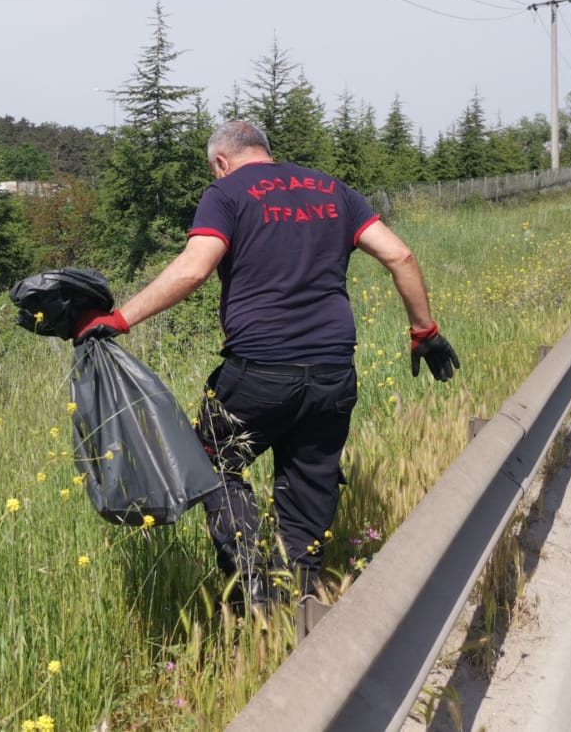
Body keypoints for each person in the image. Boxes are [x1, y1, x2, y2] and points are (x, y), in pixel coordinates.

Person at [74, 120, 459, 615]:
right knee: (310, 479)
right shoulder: (334, 190)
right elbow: (399, 255)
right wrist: (423, 332)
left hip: (258, 373)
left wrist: (120, 319)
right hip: (332, 372)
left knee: (211, 459)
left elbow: (195, 267)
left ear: (220, 162)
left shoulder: (226, 192)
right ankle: (300, 602)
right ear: (266, 153)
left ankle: (253, 587)